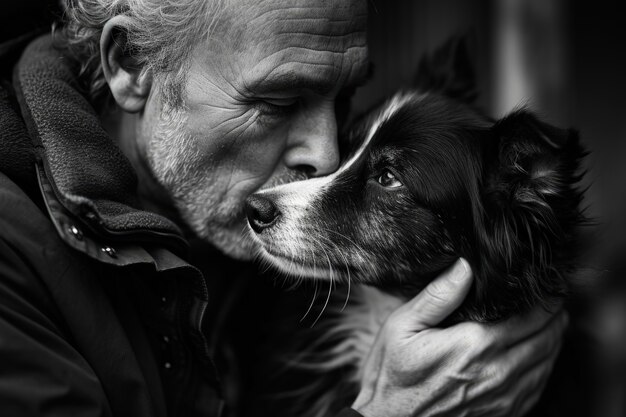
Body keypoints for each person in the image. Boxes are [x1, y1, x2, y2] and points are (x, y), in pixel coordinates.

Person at [0, 0, 568, 416]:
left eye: (341, 99)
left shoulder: (235, 227)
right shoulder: (13, 256)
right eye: (277, 102)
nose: (325, 156)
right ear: (132, 66)